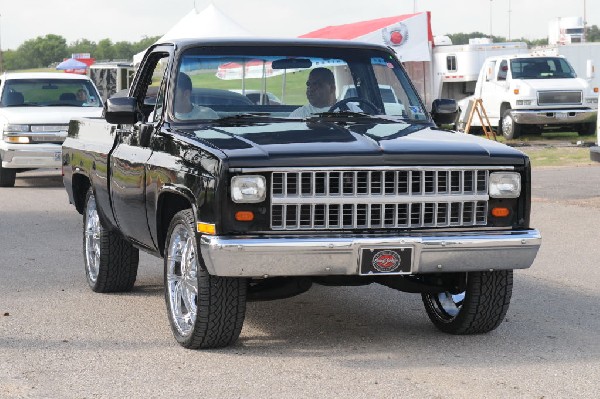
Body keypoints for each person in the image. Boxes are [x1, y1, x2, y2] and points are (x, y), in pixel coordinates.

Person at [289, 67, 361, 118]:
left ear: (332, 88)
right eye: (308, 84)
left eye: (317, 84)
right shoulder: (298, 115)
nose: (311, 89)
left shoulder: (351, 110)